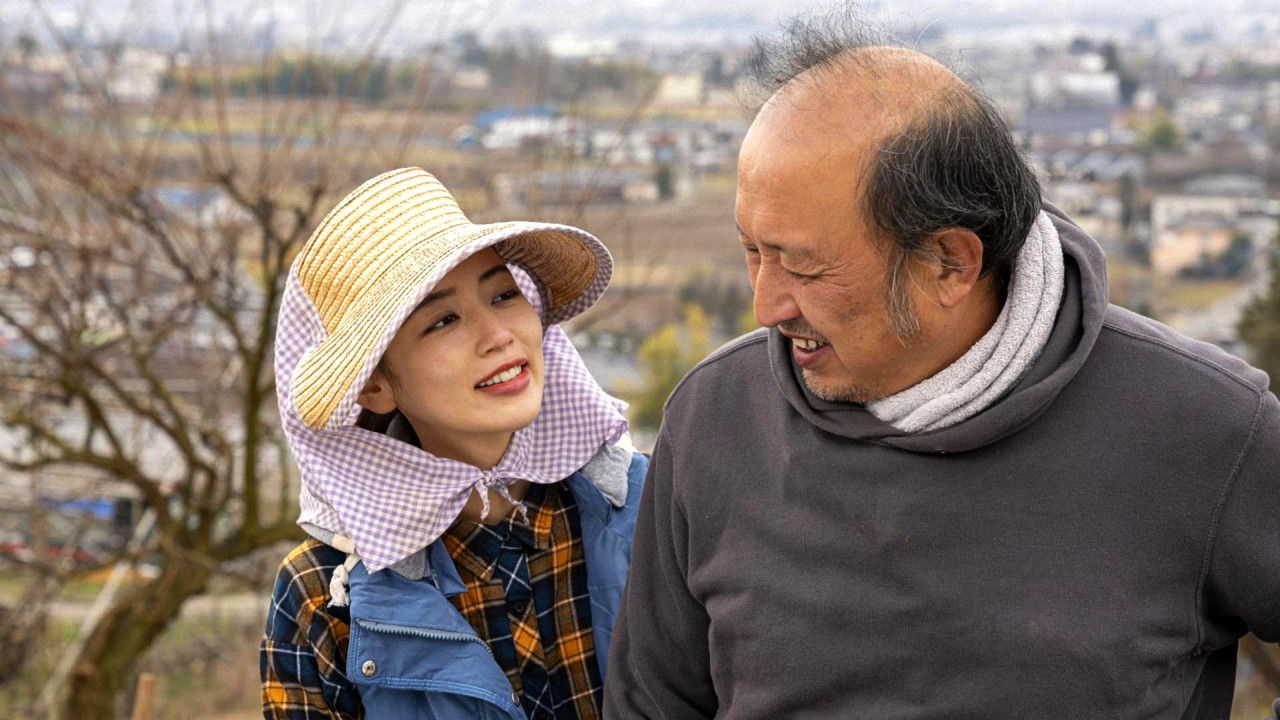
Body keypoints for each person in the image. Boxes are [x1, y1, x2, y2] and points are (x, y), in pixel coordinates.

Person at [603, 20, 1280, 720]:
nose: (767, 304)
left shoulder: (1205, 428)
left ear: (950, 262)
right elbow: (652, 704)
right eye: (752, 250)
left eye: (804, 266)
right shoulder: (714, 419)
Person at [260, 167, 646, 720]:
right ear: (375, 385)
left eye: (504, 294)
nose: (498, 335)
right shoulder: (325, 596)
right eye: (443, 320)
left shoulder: (654, 510)